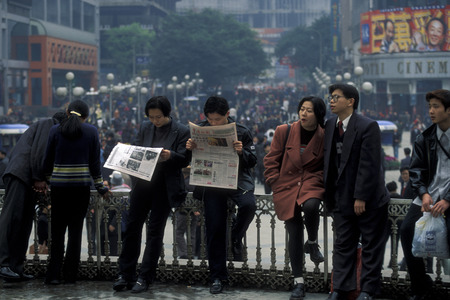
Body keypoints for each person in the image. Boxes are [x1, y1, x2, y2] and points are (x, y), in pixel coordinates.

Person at [113, 96, 190, 293]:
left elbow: (185, 158)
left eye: (158, 117)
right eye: (151, 117)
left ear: (167, 114)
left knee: (154, 233)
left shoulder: (181, 130)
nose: (155, 121)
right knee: (132, 228)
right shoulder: (146, 127)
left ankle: (145, 277)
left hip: (164, 188)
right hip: (142, 184)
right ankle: (125, 274)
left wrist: (170, 156)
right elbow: (138, 148)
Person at [324, 83, 390, 300]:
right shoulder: (331, 124)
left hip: (368, 199)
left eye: (336, 97)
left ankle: (368, 291)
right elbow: (332, 164)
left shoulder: (367, 126)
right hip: (342, 197)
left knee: (371, 246)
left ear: (351, 101)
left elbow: (369, 165)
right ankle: (340, 289)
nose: (331, 101)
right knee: (343, 245)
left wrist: (360, 196)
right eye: (330, 97)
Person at [185, 95, 257, 294]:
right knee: (214, 227)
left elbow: (253, 161)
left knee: (248, 205)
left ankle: (235, 236)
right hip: (212, 182)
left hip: (236, 180)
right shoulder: (198, 130)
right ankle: (217, 276)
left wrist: (242, 152)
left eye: (218, 119)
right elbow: (185, 159)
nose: (214, 123)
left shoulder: (241, 131)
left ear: (228, 114)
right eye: (211, 119)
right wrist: (189, 149)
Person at [264, 96, 326, 300]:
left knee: (311, 206)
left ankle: (313, 241)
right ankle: (298, 281)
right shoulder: (285, 130)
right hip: (287, 186)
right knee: (294, 232)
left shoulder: (324, 135)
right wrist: (274, 181)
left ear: (318, 114)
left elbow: (328, 164)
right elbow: (271, 158)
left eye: (309, 110)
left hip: (311, 182)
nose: (304, 113)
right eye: (301, 109)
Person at [43, 100, 110, 285]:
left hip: (58, 189)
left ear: (67, 112)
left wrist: (49, 180)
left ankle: (53, 275)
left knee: (56, 233)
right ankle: (70, 275)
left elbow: (47, 160)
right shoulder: (91, 131)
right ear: (86, 116)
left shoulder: (55, 131)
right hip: (80, 189)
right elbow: (95, 164)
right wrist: (100, 187)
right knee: (75, 232)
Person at [0, 111, 66, 281]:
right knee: (11, 219)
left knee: (23, 224)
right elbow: (40, 151)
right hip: (20, 174)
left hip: (27, 178)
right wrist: (38, 178)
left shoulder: (48, 126)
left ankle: (16, 267)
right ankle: (3, 264)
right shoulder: (48, 124)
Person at [400, 89, 450, 300]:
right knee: (406, 230)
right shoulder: (425, 137)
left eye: (436, 106)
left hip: (448, 198)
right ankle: (420, 285)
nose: (431, 111)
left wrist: (448, 200)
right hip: (427, 196)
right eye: (430, 106)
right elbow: (416, 170)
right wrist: (424, 193)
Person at [175, 166, 199, 259]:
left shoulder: (184, 182)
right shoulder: (193, 182)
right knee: (192, 233)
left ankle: (183, 253)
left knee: (179, 233)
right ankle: (191, 253)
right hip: (194, 211)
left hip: (184, 211)